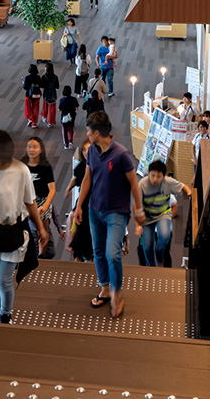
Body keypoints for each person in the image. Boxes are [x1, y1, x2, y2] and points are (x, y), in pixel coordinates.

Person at [0, 130, 48, 324]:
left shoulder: (21, 170)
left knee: (4, 279)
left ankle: (5, 314)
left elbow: (30, 202)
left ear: (3, 150)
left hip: (14, 231)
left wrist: (41, 228)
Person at [75, 111, 145, 319]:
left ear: (97, 133)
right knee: (98, 251)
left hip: (116, 212)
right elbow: (87, 179)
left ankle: (116, 293)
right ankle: (105, 288)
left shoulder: (121, 154)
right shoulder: (92, 151)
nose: (87, 134)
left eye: (88, 131)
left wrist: (138, 209)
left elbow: (134, 184)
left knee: (112, 253)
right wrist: (79, 206)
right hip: (94, 210)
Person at [136, 160, 191, 267]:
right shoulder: (142, 185)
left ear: (163, 177)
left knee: (164, 247)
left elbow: (175, 202)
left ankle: (162, 263)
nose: (155, 179)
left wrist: (170, 217)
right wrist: (138, 225)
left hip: (162, 222)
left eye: (159, 177)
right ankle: (149, 267)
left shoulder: (167, 185)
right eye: (152, 176)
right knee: (144, 247)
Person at [21, 137, 56, 252]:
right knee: (24, 230)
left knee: (43, 233)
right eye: (29, 147)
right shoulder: (22, 165)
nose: (31, 149)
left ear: (41, 150)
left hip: (42, 201)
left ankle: (42, 256)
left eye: (35, 147)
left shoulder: (45, 166)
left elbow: (52, 189)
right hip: (25, 201)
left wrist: (44, 207)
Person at [64, 141, 93, 262]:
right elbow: (76, 178)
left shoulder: (98, 166)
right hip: (83, 203)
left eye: (89, 149)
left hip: (95, 203)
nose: (87, 152)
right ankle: (78, 256)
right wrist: (68, 189)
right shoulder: (81, 167)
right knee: (80, 230)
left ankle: (87, 254)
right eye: (84, 150)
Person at [58, 85, 79, 151]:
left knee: (64, 131)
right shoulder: (73, 99)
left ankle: (66, 144)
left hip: (64, 118)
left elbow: (59, 109)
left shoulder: (62, 100)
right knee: (71, 130)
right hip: (71, 117)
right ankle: (71, 141)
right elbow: (77, 108)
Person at [23, 63, 42, 129]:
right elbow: (41, 85)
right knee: (36, 108)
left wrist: (24, 83)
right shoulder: (38, 77)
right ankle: (34, 123)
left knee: (28, 108)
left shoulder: (27, 78)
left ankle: (30, 118)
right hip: (36, 95)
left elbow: (25, 87)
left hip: (28, 95)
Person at [41, 62, 59, 128]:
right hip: (53, 95)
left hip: (46, 94)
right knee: (52, 109)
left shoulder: (44, 77)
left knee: (45, 106)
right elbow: (57, 86)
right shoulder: (55, 77)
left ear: (47, 69)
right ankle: (50, 122)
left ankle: (44, 117)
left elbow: (42, 86)